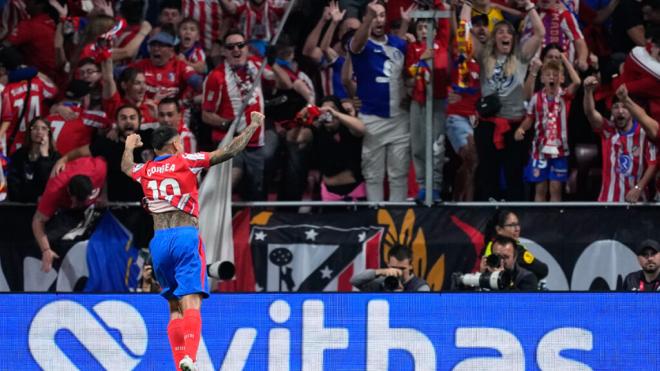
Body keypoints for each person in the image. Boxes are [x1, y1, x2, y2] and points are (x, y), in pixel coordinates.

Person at [120, 111, 263, 371]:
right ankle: (190, 357)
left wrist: (129, 146)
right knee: (192, 302)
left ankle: (180, 365)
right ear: (175, 144)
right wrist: (253, 125)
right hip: (185, 236)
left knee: (174, 306)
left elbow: (126, 168)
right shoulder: (185, 160)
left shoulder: (146, 169)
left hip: (159, 241)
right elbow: (229, 151)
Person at [468, 0, 545, 201]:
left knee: (514, 176)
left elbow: (539, 33)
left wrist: (529, 6)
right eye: (500, 32)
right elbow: (465, 30)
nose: (504, 35)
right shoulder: (484, 55)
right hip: (488, 125)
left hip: (516, 126)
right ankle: (489, 219)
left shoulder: (521, 57)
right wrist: (467, 4)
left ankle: (515, 217)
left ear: (514, 38)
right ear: (494, 37)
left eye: (509, 32)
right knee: (488, 175)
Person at [349, 0, 410, 201]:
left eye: (382, 15)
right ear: (365, 18)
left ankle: (397, 223)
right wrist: (368, 19)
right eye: (374, 15)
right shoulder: (360, 44)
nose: (378, 20)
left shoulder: (399, 44)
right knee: (373, 175)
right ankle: (376, 220)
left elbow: (409, 75)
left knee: (398, 175)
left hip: (400, 119)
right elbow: (357, 44)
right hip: (372, 119)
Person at [515, 58, 581, 202]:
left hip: (560, 150)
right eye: (548, 75)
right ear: (542, 78)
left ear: (562, 79)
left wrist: (564, 59)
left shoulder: (565, 96)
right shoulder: (535, 98)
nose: (552, 77)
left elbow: (577, 82)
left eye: (556, 75)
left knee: (556, 188)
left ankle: (554, 223)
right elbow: (529, 118)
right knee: (540, 188)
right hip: (540, 151)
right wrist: (521, 128)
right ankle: (539, 222)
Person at [584, 77, 657, 202]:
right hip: (608, 201)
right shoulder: (608, 130)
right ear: (611, 111)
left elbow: (653, 163)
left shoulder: (644, 132)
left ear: (632, 111)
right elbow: (590, 113)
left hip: (637, 200)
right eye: (616, 107)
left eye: (624, 107)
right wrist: (587, 92)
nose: (620, 111)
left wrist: (639, 188)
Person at [32, 156, 107, 272]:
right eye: (76, 201)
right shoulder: (55, 189)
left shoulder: (99, 168)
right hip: (65, 212)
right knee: (49, 238)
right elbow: (37, 221)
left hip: (91, 209)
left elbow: (104, 171)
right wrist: (46, 250)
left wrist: (104, 195)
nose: (76, 204)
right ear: (69, 193)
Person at [297, 96, 367, 201]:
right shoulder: (317, 129)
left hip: (355, 190)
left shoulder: (350, 130)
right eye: (324, 110)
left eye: (333, 108)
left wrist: (335, 114)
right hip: (329, 193)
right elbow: (300, 139)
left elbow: (361, 129)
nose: (328, 112)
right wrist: (303, 118)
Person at [482, 209, 548, 280]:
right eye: (512, 225)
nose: (517, 229)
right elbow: (543, 270)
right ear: (499, 229)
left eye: (517, 224)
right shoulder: (514, 249)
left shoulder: (490, 245)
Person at [7, 117, 60, 202]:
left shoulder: (56, 157)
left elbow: (49, 184)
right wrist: (34, 198)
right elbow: (13, 187)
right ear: (29, 132)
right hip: (20, 205)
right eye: (35, 128)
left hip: (45, 206)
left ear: (49, 133)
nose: (39, 131)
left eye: (44, 128)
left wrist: (44, 156)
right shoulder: (18, 155)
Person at [350, 245, 431, 291]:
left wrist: (400, 297)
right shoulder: (381, 281)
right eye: (394, 268)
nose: (397, 271)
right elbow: (354, 281)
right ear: (388, 264)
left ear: (410, 266)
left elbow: (419, 313)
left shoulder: (419, 286)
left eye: (402, 268)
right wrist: (379, 272)